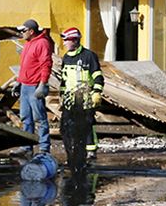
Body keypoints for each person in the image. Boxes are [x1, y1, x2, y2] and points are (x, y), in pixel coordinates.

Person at [58, 27, 104, 167]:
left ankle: (91, 150)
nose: (64, 43)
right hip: (70, 98)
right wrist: (62, 95)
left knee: (87, 125)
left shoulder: (88, 56)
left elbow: (97, 75)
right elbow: (64, 80)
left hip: (85, 96)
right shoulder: (66, 58)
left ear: (75, 40)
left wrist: (96, 92)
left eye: (67, 40)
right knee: (66, 127)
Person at [16, 19, 53, 155]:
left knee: (40, 118)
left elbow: (46, 64)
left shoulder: (42, 43)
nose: (21, 33)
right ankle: (26, 146)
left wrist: (43, 84)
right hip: (25, 86)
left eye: (23, 31)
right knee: (25, 117)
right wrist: (19, 81)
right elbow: (25, 66)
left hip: (35, 86)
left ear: (31, 31)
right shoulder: (28, 44)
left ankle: (44, 147)